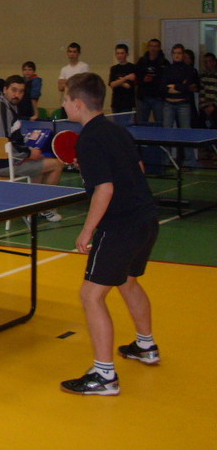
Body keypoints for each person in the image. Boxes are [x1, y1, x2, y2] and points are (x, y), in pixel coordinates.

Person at [59, 73, 159, 396]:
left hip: (120, 226)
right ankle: (146, 346)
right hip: (146, 218)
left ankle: (104, 376)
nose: (63, 105)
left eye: (65, 100)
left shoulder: (88, 139)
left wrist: (86, 231)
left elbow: (105, 189)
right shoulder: (117, 130)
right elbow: (137, 170)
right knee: (128, 281)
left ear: (77, 104)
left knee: (91, 296)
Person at [0, 75, 64, 221]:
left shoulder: (10, 107)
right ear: (5, 89)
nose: (17, 94)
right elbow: (4, 144)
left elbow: (12, 140)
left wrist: (29, 149)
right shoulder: (2, 111)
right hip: (5, 164)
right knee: (57, 165)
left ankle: (34, 208)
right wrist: (29, 153)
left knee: (39, 163)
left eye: (21, 91)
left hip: (10, 159)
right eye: (14, 90)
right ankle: (46, 208)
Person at [160, 43, 197, 166]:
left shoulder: (188, 69)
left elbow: (187, 87)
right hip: (168, 104)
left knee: (186, 132)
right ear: (172, 55)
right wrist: (179, 86)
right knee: (167, 133)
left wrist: (174, 86)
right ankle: (166, 161)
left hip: (183, 105)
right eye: (175, 53)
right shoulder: (167, 69)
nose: (177, 55)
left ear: (183, 55)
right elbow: (162, 87)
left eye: (179, 53)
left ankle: (190, 162)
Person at [135, 38, 168, 124]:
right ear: (148, 47)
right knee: (141, 123)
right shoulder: (141, 61)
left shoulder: (164, 62)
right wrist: (143, 79)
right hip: (143, 97)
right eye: (151, 46)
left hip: (158, 97)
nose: (153, 48)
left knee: (160, 122)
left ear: (159, 48)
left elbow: (166, 79)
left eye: (156, 46)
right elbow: (136, 77)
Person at [108, 43, 137, 114]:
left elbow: (128, 86)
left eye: (122, 53)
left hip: (128, 103)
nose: (119, 56)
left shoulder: (132, 67)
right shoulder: (114, 68)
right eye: (117, 53)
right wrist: (126, 78)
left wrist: (118, 81)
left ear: (127, 54)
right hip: (116, 103)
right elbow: (112, 85)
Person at [199, 52, 217, 132]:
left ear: (214, 62)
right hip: (205, 108)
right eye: (205, 62)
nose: (207, 64)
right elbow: (202, 92)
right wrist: (204, 106)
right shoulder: (203, 75)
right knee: (202, 130)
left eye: (209, 62)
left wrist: (213, 106)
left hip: (215, 108)